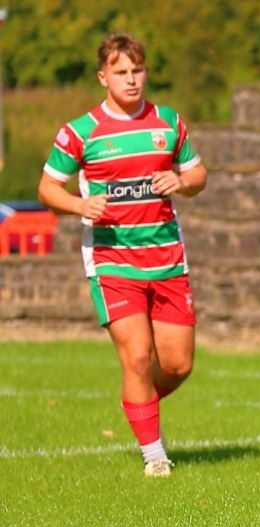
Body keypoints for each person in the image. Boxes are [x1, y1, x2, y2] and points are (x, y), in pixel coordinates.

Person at [38, 33, 208, 477]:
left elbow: (197, 173)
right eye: (120, 72)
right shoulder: (80, 132)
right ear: (103, 77)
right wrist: (79, 205)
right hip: (113, 262)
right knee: (136, 356)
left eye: (137, 70)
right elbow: (47, 188)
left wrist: (182, 182)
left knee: (177, 364)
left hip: (168, 259)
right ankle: (155, 456)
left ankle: (139, 402)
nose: (131, 80)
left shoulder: (168, 122)